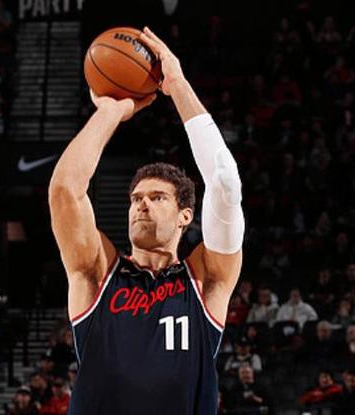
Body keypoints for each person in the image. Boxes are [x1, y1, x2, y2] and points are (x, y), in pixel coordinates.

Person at [48, 27, 244, 415]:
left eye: (157, 198)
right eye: (136, 199)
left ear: (186, 216)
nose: (142, 205)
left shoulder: (206, 280)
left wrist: (178, 86)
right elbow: (65, 190)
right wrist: (110, 112)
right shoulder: (98, 273)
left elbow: (224, 183)